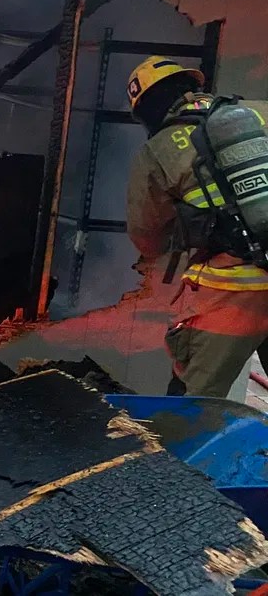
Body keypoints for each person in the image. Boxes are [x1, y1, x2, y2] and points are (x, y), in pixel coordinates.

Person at [125, 56, 268, 398]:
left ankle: (177, 452)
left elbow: (146, 235)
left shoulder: (158, 149)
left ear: (147, 108)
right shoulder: (255, 112)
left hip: (235, 290)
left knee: (193, 402)